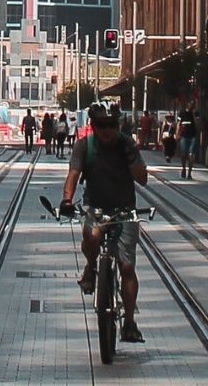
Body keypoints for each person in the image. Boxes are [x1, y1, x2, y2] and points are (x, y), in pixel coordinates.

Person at [60, 105, 149, 344]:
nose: (108, 131)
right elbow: (73, 175)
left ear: (118, 125)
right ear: (93, 126)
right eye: (102, 125)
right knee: (90, 235)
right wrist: (67, 199)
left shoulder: (126, 144)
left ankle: (129, 322)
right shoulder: (84, 146)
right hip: (96, 207)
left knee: (127, 266)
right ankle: (91, 266)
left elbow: (143, 179)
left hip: (124, 209)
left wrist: (132, 157)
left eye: (112, 125)